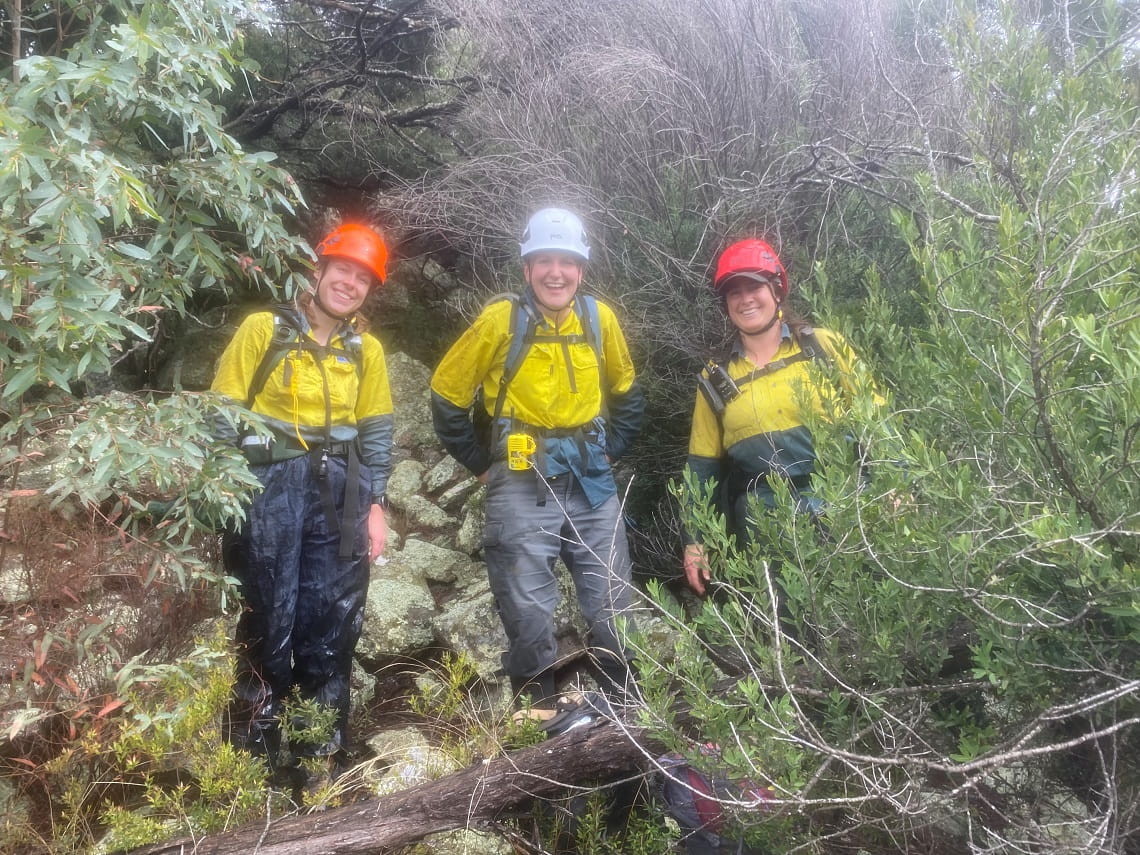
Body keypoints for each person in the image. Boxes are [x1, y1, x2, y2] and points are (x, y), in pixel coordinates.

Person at [430, 207, 645, 712]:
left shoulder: (599, 318)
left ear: (581, 270)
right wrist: (481, 464)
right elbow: (446, 395)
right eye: (543, 260)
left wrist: (611, 449)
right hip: (522, 479)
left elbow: (627, 391)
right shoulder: (499, 320)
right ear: (526, 269)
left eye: (567, 261)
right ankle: (539, 723)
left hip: (591, 478)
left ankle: (626, 715)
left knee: (612, 605)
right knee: (528, 612)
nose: (556, 272)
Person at [211, 222, 394, 770]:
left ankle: (316, 747)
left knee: (333, 620)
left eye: (363, 279)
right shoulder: (263, 329)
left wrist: (376, 505)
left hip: (341, 489)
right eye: (343, 270)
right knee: (266, 614)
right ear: (318, 270)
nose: (351, 284)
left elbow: (378, 432)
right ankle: (254, 751)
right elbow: (222, 412)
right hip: (267, 483)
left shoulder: (367, 350)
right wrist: (223, 486)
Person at [682, 238, 875, 598]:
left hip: (844, 502)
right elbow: (701, 469)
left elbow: (877, 420)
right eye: (733, 292)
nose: (745, 299)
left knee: (865, 608)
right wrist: (695, 541)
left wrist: (898, 485)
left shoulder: (823, 346)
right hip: (765, 521)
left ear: (776, 289)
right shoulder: (714, 378)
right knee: (787, 629)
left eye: (754, 286)